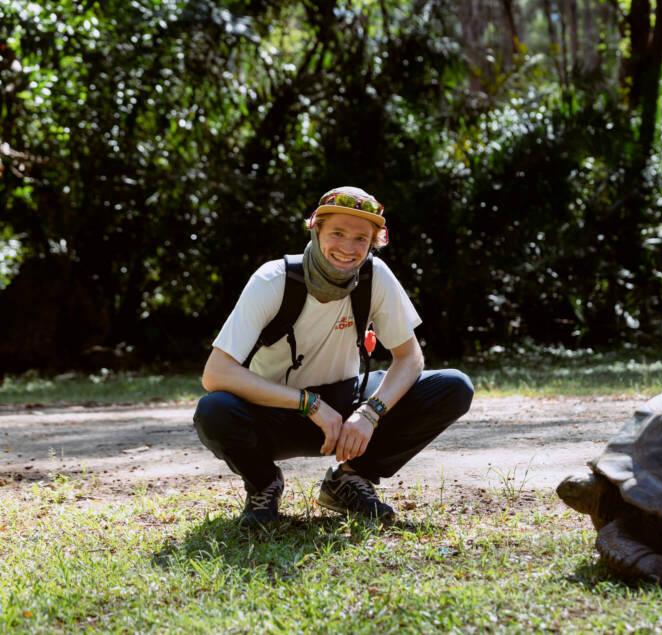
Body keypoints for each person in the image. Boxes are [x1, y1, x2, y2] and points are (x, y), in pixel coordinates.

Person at [193, 186, 473, 525]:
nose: (348, 248)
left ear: (374, 243)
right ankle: (263, 484)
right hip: (274, 412)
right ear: (316, 229)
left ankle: (349, 480)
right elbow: (216, 373)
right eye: (337, 233)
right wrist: (308, 403)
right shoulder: (271, 280)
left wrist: (370, 412)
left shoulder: (375, 277)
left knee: (454, 386)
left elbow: (410, 358)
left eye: (361, 239)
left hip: (346, 410)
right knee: (213, 410)